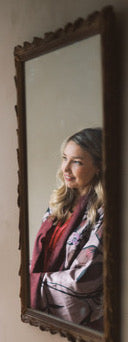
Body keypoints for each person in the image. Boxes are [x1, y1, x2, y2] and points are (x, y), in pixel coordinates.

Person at [30, 127, 104, 330]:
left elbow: (84, 279)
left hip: (87, 325)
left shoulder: (103, 213)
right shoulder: (57, 204)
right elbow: (41, 258)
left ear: (98, 166)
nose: (66, 168)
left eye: (77, 162)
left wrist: (30, 283)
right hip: (43, 315)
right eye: (64, 158)